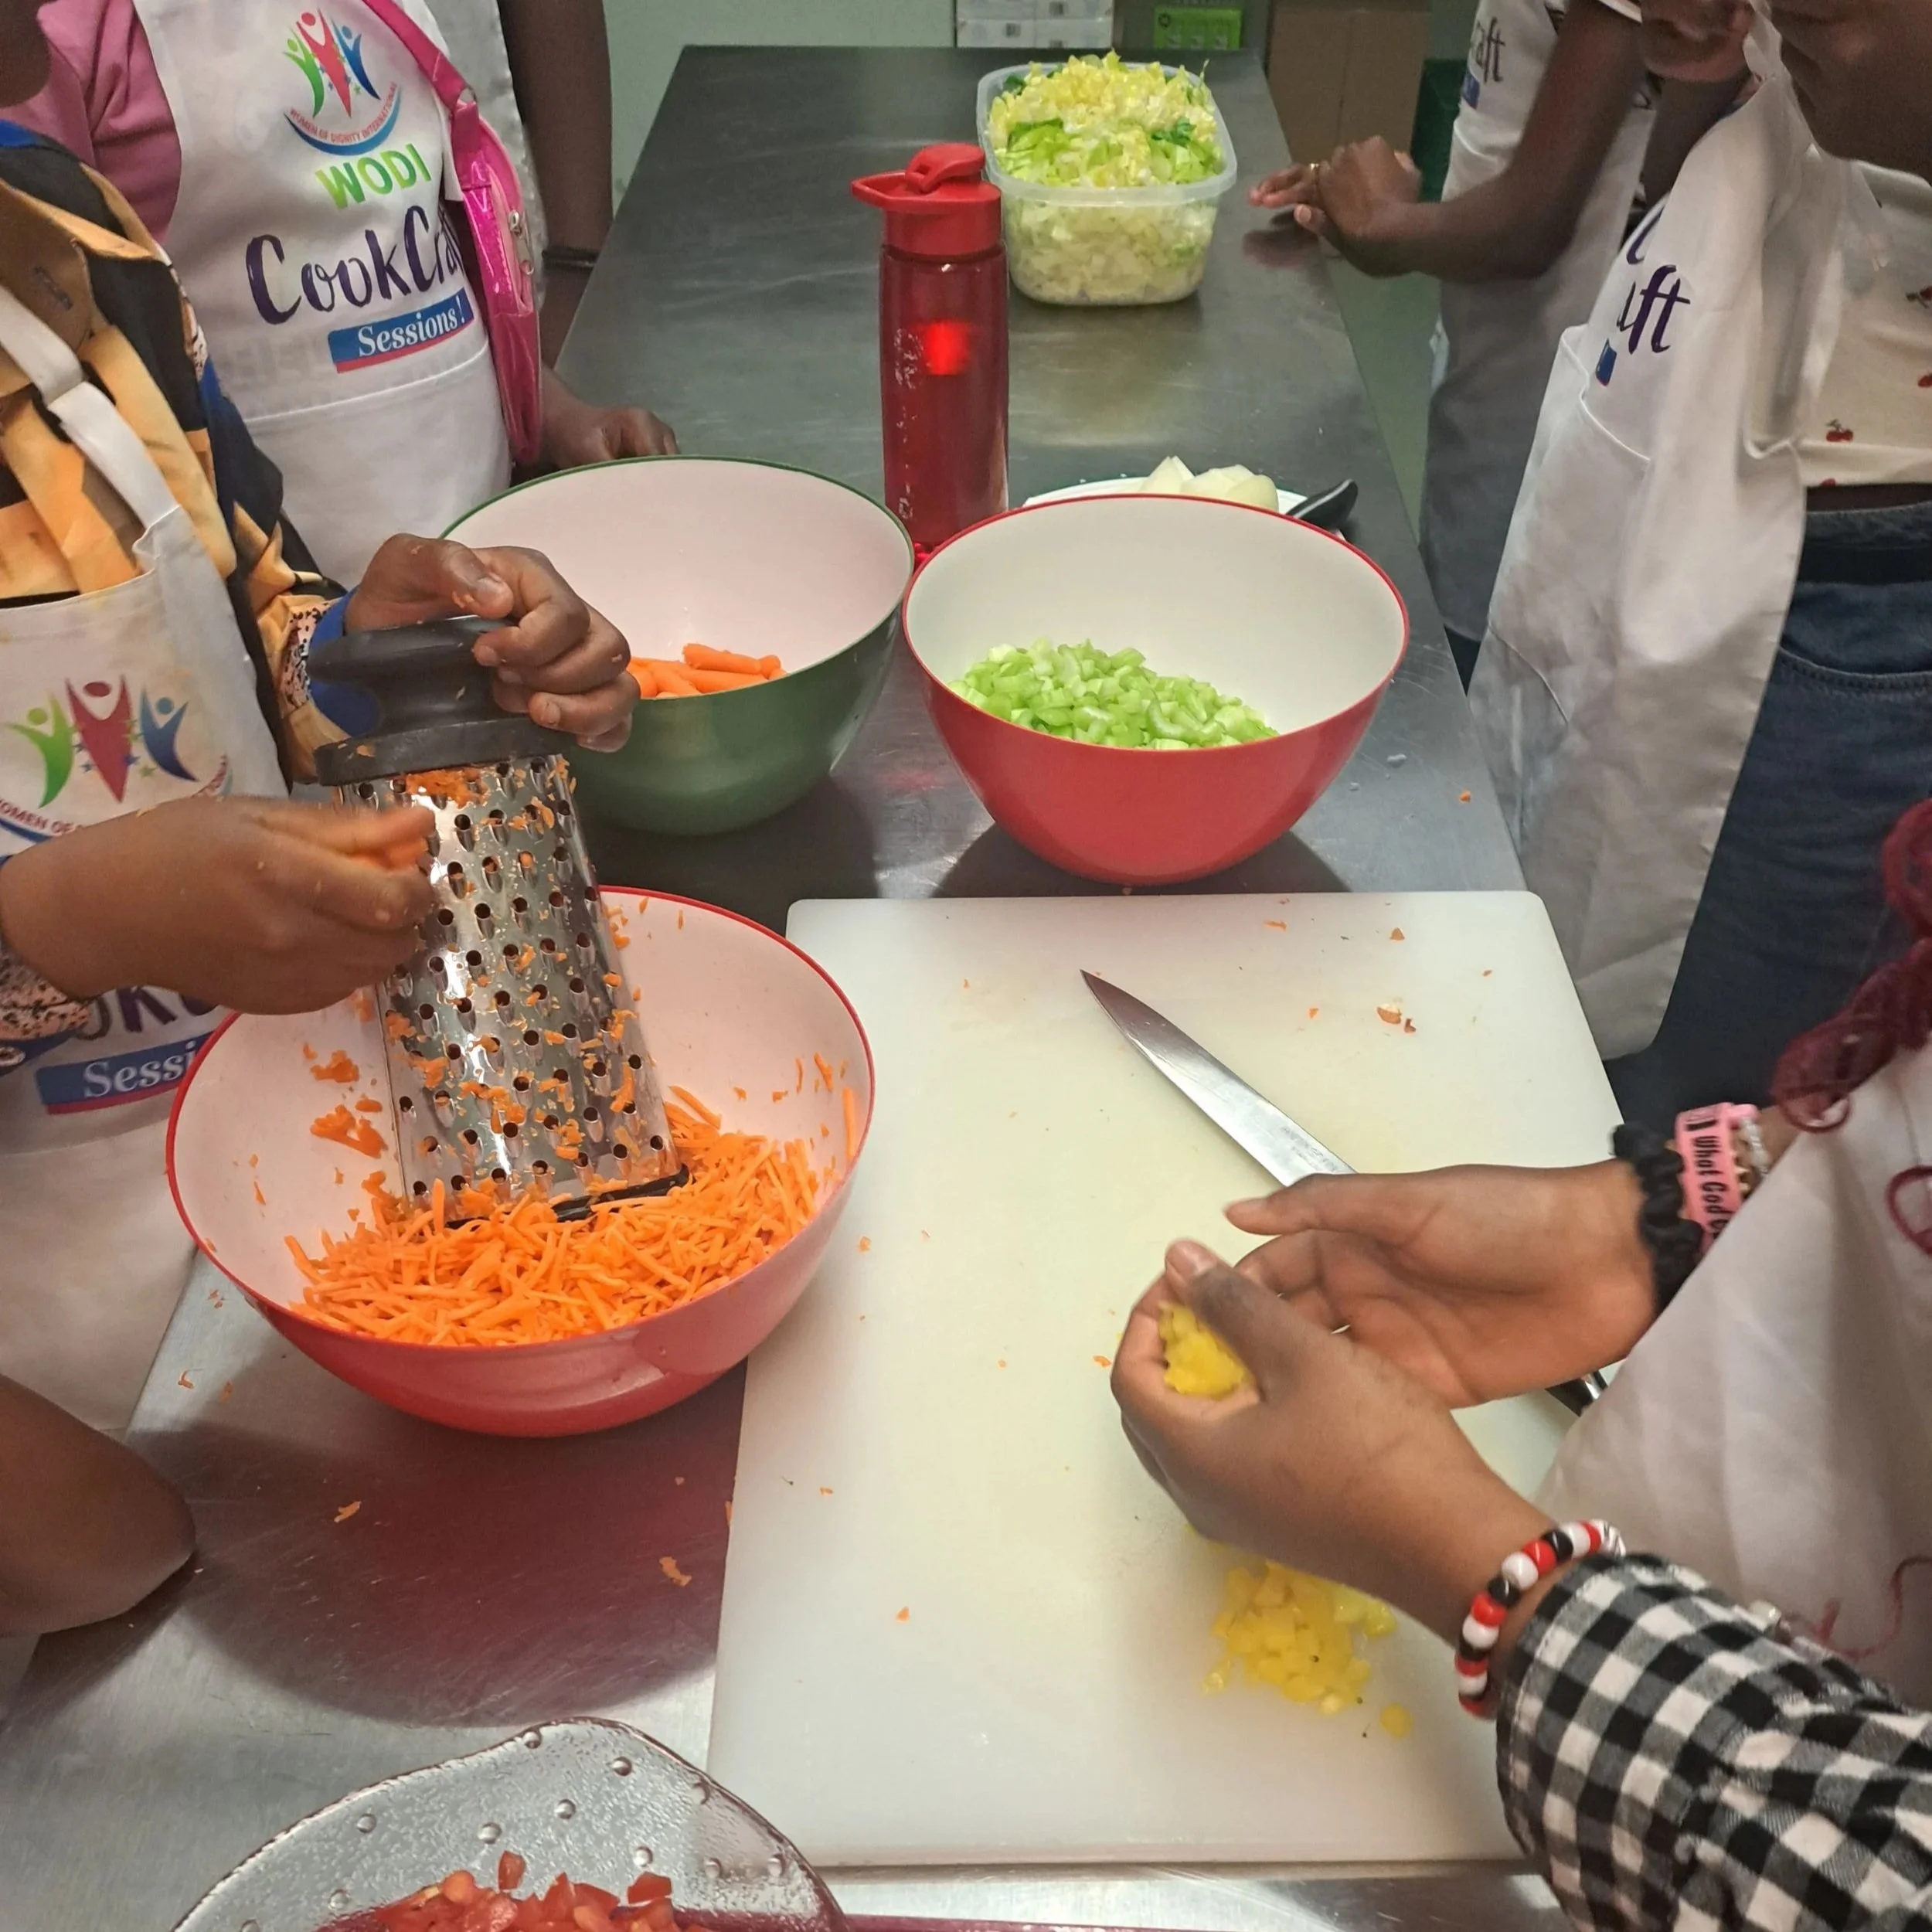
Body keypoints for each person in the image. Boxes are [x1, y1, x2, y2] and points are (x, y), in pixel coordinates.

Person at [0, 2, 638, 1431]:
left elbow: (256, 609)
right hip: (58, 1395)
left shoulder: (69, 237)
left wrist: (386, 658)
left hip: (310, 1230)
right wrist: (65, 932)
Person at [1468, 0, 1932, 1127]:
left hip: (1858, 585)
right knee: (1549, 1013)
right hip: (1679, 431)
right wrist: (1718, 55)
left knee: (1707, 1134)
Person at [10, 0, 675, 585]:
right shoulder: (46, 39)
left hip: (485, 554)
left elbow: (423, 253)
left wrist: (553, 412)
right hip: (280, 612)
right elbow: (53, 374)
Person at [1249, 0, 1740, 683]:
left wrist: (1387, 227)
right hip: (1492, 373)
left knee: (1493, 664)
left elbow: (1532, 224)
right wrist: (1375, 209)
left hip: (1547, 405)